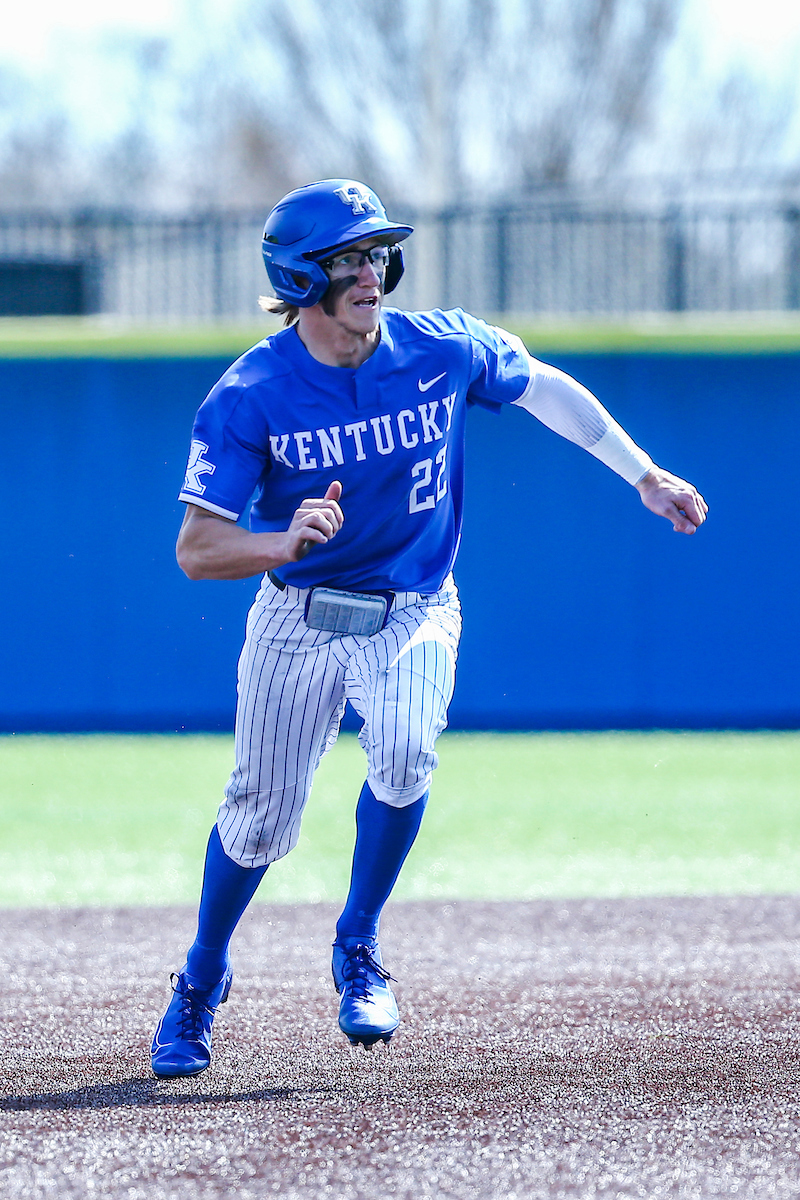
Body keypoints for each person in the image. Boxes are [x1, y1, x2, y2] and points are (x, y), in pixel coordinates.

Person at [150, 178, 707, 1078]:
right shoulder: (252, 391)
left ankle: (357, 946)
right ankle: (201, 979)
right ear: (300, 278)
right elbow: (196, 548)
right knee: (258, 822)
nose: (370, 272)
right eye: (347, 258)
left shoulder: (439, 347)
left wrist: (642, 474)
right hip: (298, 617)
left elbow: (544, 388)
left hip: (413, 606)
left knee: (406, 754)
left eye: (375, 253)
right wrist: (278, 538)